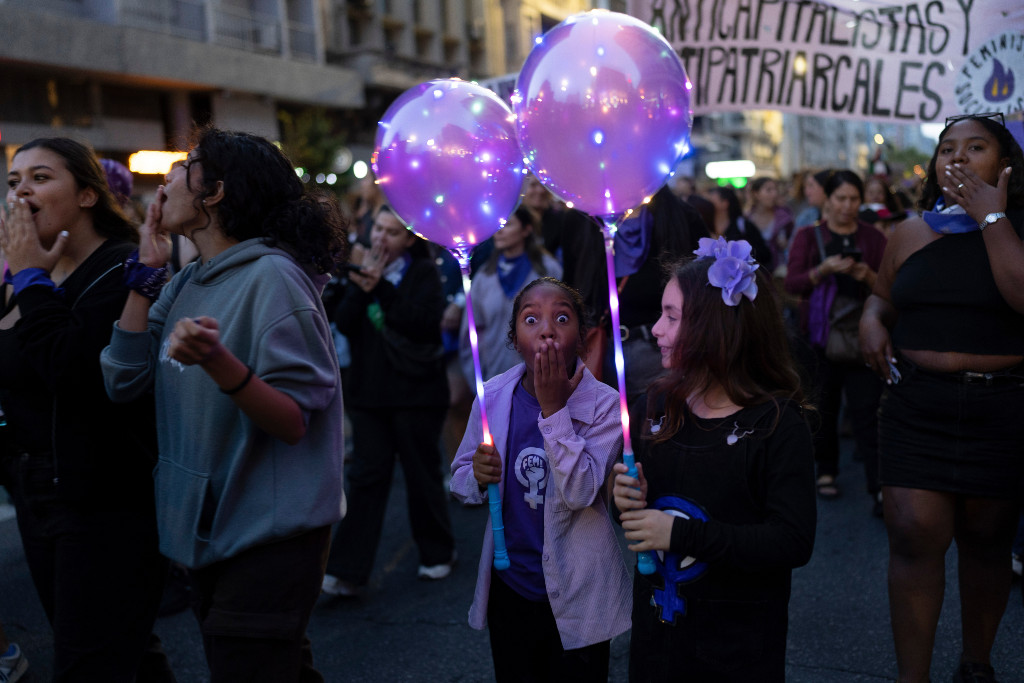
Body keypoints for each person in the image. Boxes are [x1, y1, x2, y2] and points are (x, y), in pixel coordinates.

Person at [100, 127, 347, 683]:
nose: (164, 180)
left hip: (270, 537)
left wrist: (218, 361)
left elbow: (291, 419)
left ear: (215, 192)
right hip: (208, 529)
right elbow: (122, 379)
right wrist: (145, 271)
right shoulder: (186, 279)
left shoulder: (275, 278)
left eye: (183, 166)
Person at [0, 137, 173, 682]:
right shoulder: (32, 274)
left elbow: (72, 372)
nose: (21, 189)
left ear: (88, 195)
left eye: (41, 177)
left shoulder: (120, 268)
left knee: (86, 664)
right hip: (37, 490)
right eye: (13, 180)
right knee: (123, 654)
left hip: (101, 496)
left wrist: (28, 278)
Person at [859, 112, 1024, 683]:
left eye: (974, 147)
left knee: (987, 542)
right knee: (912, 536)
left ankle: (976, 664)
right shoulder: (910, 231)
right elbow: (881, 297)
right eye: (946, 149)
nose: (955, 158)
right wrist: (873, 321)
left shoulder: (1018, 228)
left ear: (1004, 165)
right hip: (916, 406)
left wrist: (992, 217)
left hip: (1001, 408)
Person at [612, 239, 816, 682]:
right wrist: (625, 497)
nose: (656, 330)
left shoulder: (777, 426)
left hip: (736, 647)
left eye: (671, 316)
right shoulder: (657, 405)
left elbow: (791, 541)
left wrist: (681, 534)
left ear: (714, 327)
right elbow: (641, 514)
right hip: (659, 640)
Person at [450, 277, 631, 682]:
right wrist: (477, 477)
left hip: (579, 591)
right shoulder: (493, 397)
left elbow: (581, 490)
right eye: (532, 319)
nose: (547, 329)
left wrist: (553, 410)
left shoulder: (604, 405)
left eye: (561, 318)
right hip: (511, 585)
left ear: (582, 338)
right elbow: (460, 478)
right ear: (514, 339)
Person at [323, 205, 456, 596]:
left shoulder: (423, 272)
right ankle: (347, 568)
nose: (381, 238)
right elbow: (344, 323)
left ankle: (438, 552)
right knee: (366, 477)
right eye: (378, 229)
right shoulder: (358, 267)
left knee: (421, 473)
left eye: (392, 232)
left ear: (409, 239)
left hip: (416, 393)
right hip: (370, 393)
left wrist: (380, 287)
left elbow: (421, 324)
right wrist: (360, 288)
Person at [784, 170, 887, 507]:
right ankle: (826, 469)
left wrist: (867, 274)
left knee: (867, 411)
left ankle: (878, 484)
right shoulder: (808, 235)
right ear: (827, 200)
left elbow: (890, 285)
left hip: (863, 337)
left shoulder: (873, 237)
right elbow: (792, 284)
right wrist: (823, 270)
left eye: (854, 199)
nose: (847, 206)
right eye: (840, 198)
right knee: (823, 408)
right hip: (820, 339)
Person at [459, 205, 561, 383]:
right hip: (494, 378)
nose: (499, 232)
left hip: (543, 380)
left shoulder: (548, 270)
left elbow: (561, 325)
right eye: (496, 226)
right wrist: (478, 381)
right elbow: (471, 332)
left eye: (507, 225)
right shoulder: (484, 276)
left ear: (526, 230)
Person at [706, 185, 772, 267]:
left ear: (725, 203)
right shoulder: (705, 227)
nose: (705, 204)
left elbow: (764, 254)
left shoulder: (743, 226)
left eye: (710, 201)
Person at [745, 176, 795, 274]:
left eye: (775, 189)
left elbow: (795, 239)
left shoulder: (785, 216)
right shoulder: (746, 219)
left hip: (779, 272)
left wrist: (787, 244)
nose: (774, 194)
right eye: (769, 190)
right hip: (754, 272)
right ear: (756, 194)